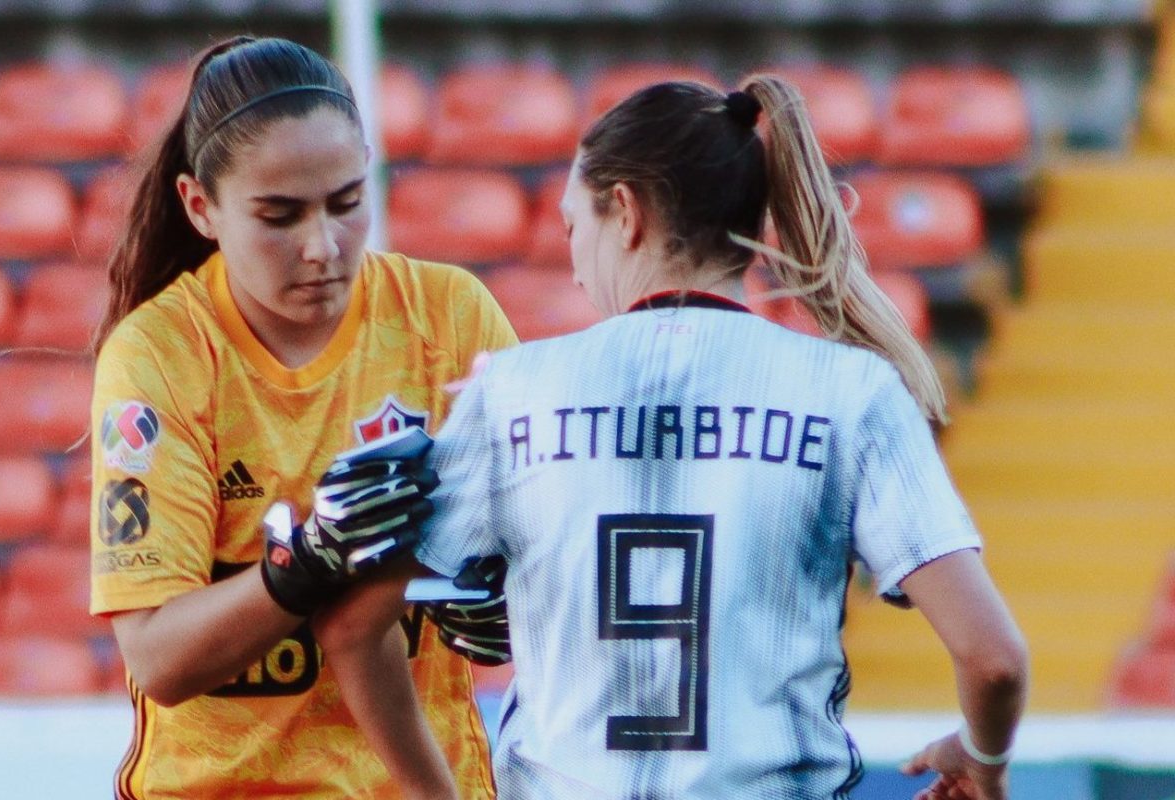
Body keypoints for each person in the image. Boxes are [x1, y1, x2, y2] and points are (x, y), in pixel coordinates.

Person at [343, 77, 1030, 800]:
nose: (575, 270)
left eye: (576, 229)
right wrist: (981, 753)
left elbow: (356, 622)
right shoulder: (852, 391)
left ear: (628, 214)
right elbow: (995, 661)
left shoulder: (513, 391)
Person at [89, 35, 516, 799]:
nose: (324, 246)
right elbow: (157, 659)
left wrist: (505, 598)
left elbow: (535, 555)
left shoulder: (452, 317)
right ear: (201, 207)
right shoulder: (159, 355)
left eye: (348, 203)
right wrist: (308, 565)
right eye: (280, 215)